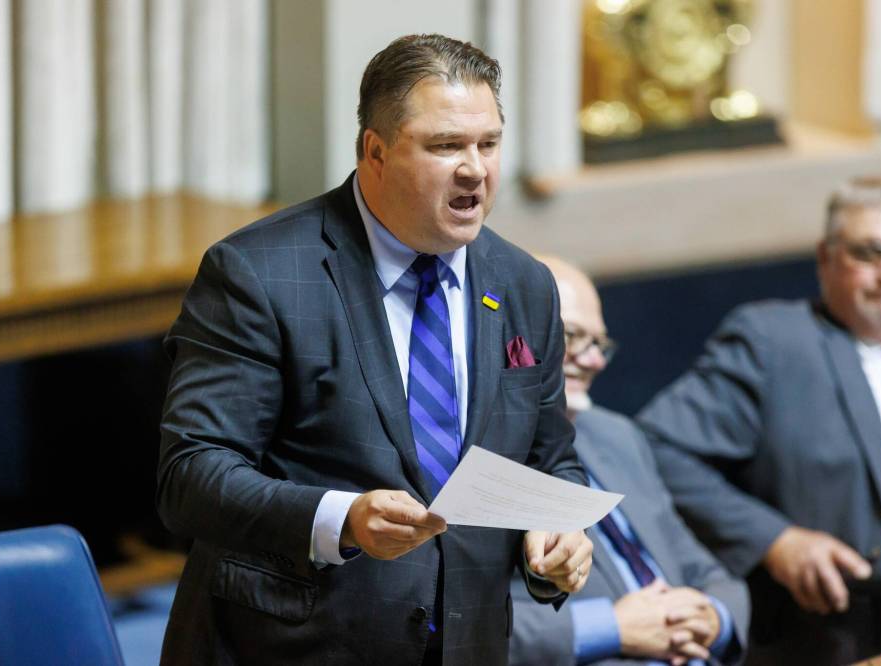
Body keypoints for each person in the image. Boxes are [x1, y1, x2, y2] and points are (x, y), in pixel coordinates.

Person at [156, 34, 593, 666]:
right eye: (446, 146)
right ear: (375, 151)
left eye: (489, 143)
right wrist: (342, 519)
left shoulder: (523, 284)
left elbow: (550, 458)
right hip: (294, 649)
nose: (475, 169)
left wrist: (558, 533)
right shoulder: (261, 274)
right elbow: (192, 474)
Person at [636, 176, 881, 664]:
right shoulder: (776, 343)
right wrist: (776, 540)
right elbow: (652, 448)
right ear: (826, 258)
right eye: (869, 253)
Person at [510, 256, 749, 666]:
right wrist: (612, 627)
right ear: (510, 334)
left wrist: (713, 617)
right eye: (572, 336)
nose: (595, 361)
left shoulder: (617, 435)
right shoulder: (465, 453)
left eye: (599, 344)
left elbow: (708, 574)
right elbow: (451, 628)